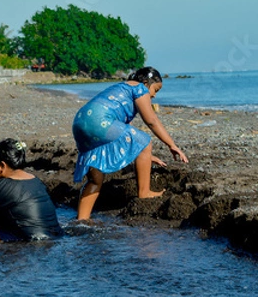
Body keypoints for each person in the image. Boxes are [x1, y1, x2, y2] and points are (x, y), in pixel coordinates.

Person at [72, 66, 189, 220]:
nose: (153, 96)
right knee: (145, 141)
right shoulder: (140, 88)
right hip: (100, 120)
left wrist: (146, 155)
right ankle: (145, 192)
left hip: (81, 121)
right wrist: (172, 145)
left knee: (95, 179)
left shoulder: (121, 87)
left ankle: (82, 220)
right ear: (146, 83)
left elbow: (126, 133)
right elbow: (151, 121)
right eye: (155, 90)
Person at [0, 139, 63, 242]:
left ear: (2, 166)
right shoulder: (36, 180)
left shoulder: (4, 185)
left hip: (30, 239)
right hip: (55, 235)